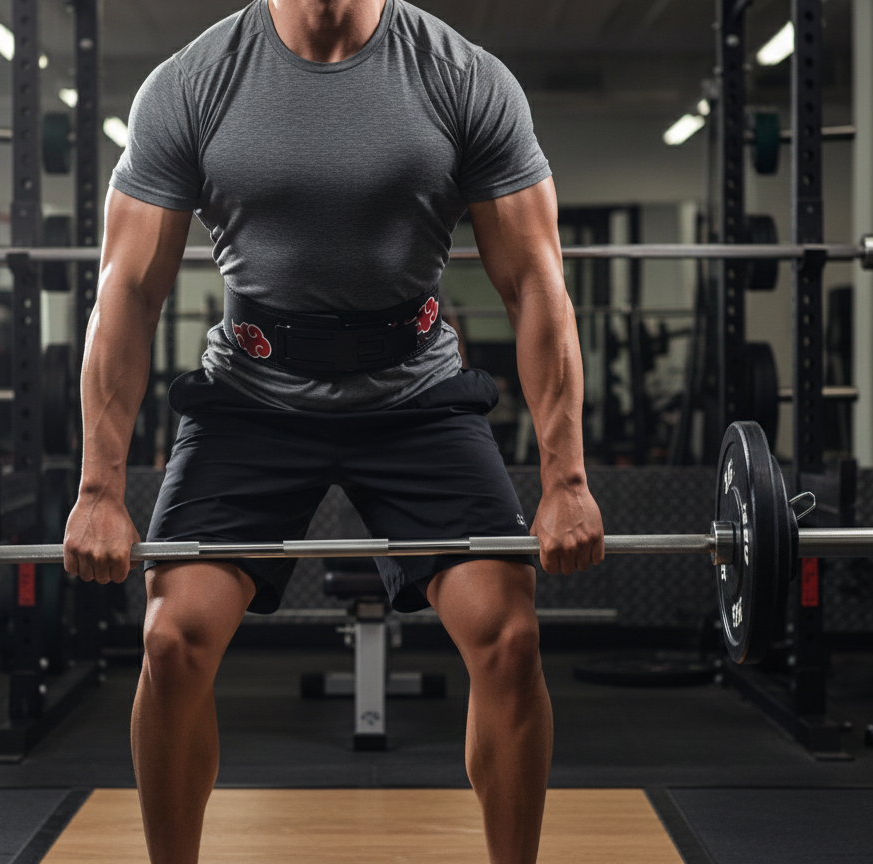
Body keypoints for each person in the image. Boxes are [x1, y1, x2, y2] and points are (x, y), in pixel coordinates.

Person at [62, 1, 605, 862]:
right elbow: (126, 293)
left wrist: (566, 480)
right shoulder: (192, 83)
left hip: (415, 396)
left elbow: (537, 286)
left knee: (509, 636)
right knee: (170, 640)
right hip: (252, 393)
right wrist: (99, 490)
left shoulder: (463, 76)